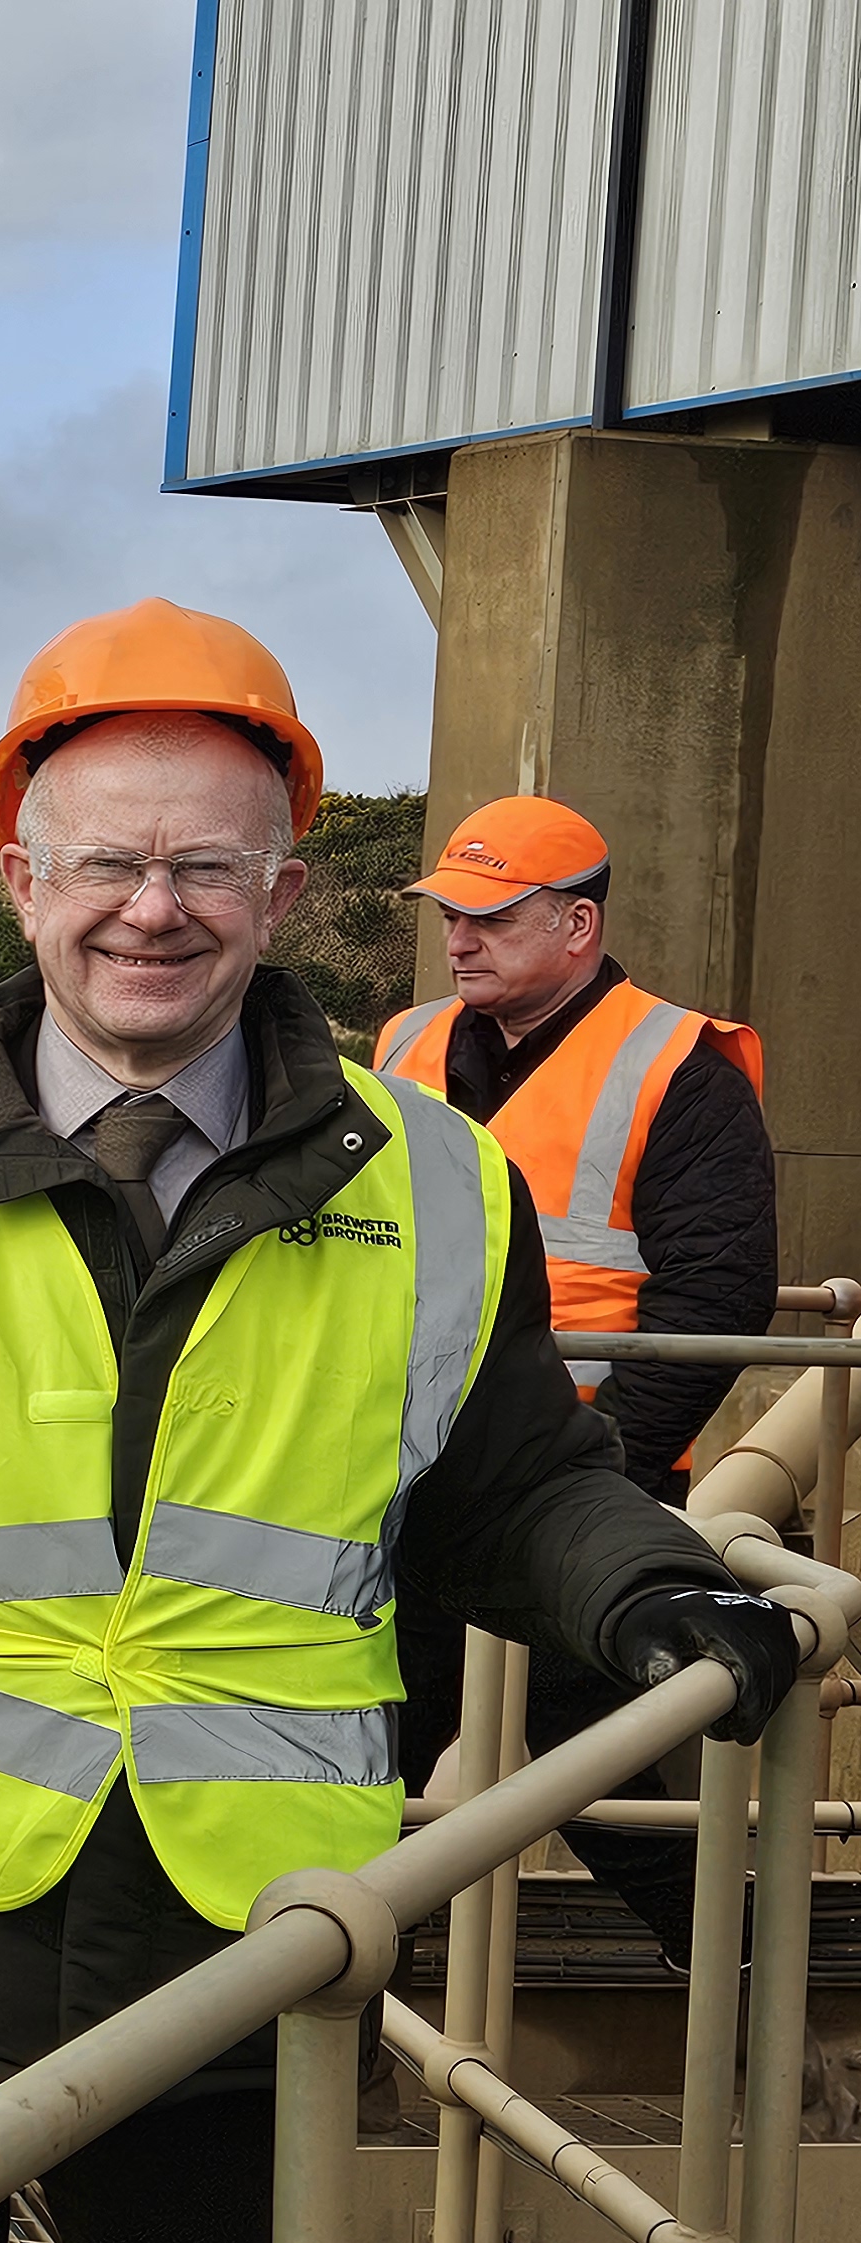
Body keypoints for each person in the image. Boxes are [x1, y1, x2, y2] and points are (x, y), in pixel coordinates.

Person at [0, 597, 804, 2243]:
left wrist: (652, 1586)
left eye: (205, 868)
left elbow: (521, 1478)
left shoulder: (435, 1178)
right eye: (104, 864)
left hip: (254, 1939)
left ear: (283, 894)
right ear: (17, 882)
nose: (151, 909)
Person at [373, 795, 777, 1966]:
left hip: (563, 1482)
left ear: (577, 925)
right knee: (377, 1755)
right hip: (403, 1472)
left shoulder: (678, 1066)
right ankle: (756, 1999)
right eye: (451, 915)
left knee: (561, 1748)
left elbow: (714, 1292)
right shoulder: (403, 1045)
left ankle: (754, 2001)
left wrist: (594, 1482)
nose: (459, 941)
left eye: (492, 918)